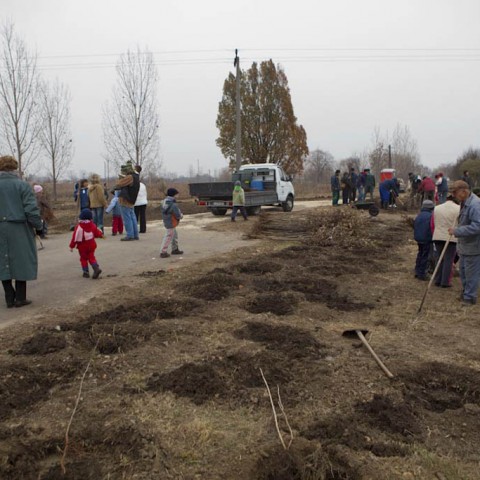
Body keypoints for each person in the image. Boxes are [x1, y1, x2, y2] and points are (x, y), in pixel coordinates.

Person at [0, 155, 43, 308]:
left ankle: (9, 297)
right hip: (19, 227)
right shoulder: (22, 186)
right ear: (14, 168)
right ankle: (20, 298)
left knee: (2, 261)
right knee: (21, 260)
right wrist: (38, 226)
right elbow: (31, 209)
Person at [448, 180, 480, 306]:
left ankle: (470, 297)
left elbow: (478, 226)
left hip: (474, 246)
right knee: (463, 272)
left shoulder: (475, 205)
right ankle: (466, 292)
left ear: (464, 191)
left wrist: (458, 231)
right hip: (464, 246)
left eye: (455, 193)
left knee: (471, 273)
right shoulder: (465, 203)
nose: (454, 196)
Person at [431, 195, 460, 288]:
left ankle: (437, 279)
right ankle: (445, 281)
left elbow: (434, 222)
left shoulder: (437, 208)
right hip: (450, 237)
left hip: (438, 236)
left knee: (439, 258)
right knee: (448, 259)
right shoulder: (458, 209)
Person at [69, 209, 104, 279]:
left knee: (83, 259)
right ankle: (96, 268)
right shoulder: (92, 225)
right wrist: (101, 235)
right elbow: (96, 233)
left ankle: (86, 272)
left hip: (82, 247)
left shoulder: (78, 227)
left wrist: (71, 246)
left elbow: (74, 238)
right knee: (91, 257)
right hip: (91, 246)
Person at [114, 161, 140, 241]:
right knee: (133, 218)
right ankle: (135, 234)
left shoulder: (130, 177)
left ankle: (130, 235)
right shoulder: (136, 177)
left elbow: (118, 184)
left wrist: (121, 178)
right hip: (132, 200)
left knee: (127, 218)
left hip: (125, 200)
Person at [414, 200, 435, 280]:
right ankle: (422, 274)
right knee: (425, 256)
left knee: (420, 253)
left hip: (418, 238)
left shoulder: (419, 215)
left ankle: (417, 270)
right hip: (427, 238)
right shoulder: (431, 216)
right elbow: (432, 227)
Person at [160, 188, 183, 258]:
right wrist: (181, 216)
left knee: (174, 235)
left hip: (167, 221)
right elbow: (178, 215)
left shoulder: (164, 202)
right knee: (168, 236)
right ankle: (163, 252)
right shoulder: (173, 204)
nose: (178, 195)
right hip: (171, 222)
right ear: (174, 195)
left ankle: (175, 249)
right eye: (177, 194)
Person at [134, 166, 148, 233]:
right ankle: (143, 229)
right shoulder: (143, 185)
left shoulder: (135, 186)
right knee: (143, 216)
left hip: (137, 203)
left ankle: (135, 228)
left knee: (135, 216)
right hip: (144, 202)